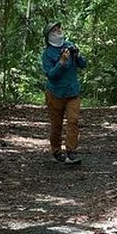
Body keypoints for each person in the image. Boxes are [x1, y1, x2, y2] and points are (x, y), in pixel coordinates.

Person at [41, 22, 87, 165]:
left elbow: (83, 64)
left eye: (59, 28)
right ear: (49, 35)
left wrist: (77, 54)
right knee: (57, 125)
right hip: (55, 93)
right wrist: (61, 62)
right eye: (54, 30)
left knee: (73, 121)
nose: (58, 31)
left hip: (72, 92)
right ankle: (56, 151)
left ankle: (71, 151)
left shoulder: (69, 45)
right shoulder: (47, 54)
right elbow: (51, 75)